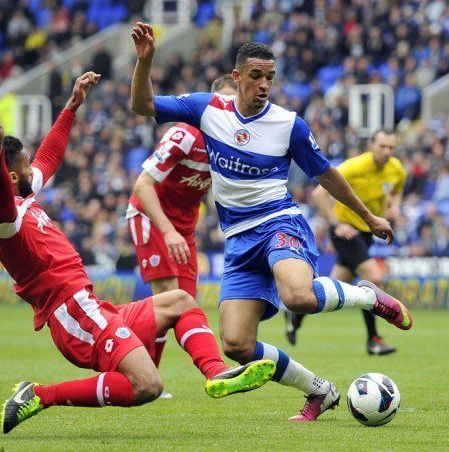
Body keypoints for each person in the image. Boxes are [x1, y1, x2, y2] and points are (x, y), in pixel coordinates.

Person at [130, 22, 413, 422]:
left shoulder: (288, 124)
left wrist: (368, 216)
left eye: (270, 77)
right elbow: (143, 106)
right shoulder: (207, 109)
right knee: (236, 345)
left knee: (298, 296)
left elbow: (326, 174)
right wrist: (145, 62)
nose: (264, 84)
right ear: (237, 77)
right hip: (238, 240)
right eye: (256, 76)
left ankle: (367, 295)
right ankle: (320, 391)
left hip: (279, 223)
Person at [0, 72, 276, 435]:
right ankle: (39, 394)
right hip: (72, 314)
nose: (35, 166)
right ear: (12, 176)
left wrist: (71, 106)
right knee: (148, 385)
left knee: (180, 301)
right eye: (25, 164)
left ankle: (217, 374)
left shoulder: (23, 191)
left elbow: (50, 155)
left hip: (89, 306)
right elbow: (3, 200)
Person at [126, 75, 237, 397]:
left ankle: (206, 372)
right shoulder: (183, 135)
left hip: (182, 228)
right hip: (151, 217)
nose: (227, 110)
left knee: (185, 303)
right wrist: (168, 231)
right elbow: (142, 186)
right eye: (222, 103)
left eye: (233, 104)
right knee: (167, 297)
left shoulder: (231, 143)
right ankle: (151, 378)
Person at [294, 128, 405, 355]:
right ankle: (373, 339)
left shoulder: (396, 169)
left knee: (331, 289)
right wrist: (336, 224)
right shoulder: (354, 166)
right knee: (373, 278)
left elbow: (396, 190)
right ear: (371, 146)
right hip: (346, 231)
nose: (386, 151)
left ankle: (296, 312)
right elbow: (318, 194)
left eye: (391, 147)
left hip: (366, 233)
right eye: (382, 146)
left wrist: (395, 206)